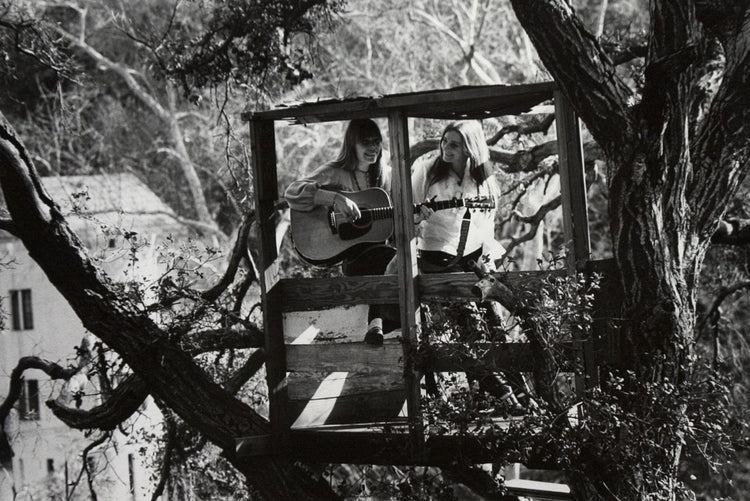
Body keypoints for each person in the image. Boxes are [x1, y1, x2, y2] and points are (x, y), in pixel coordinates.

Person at [413, 120, 531, 415]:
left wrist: (488, 270)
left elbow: (486, 225)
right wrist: (417, 216)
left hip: (473, 261)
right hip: (437, 260)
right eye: (444, 142)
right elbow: (405, 216)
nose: (445, 148)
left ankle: (520, 396)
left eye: (454, 144)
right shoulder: (427, 171)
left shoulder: (484, 176)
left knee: (495, 329)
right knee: (469, 330)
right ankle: (503, 396)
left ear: (471, 147)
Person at [284, 119, 396, 346]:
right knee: (386, 257)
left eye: (377, 142)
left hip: (378, 254)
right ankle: (381, 323)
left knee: (392, 257)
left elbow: (395, 217)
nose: (373, 148)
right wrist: (334, 198)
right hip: (351, 258)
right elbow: (292, 192)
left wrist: (416, 216)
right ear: (352, 144)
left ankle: (378, 324)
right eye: (366, 143)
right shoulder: (335, 173)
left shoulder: (387, 176)